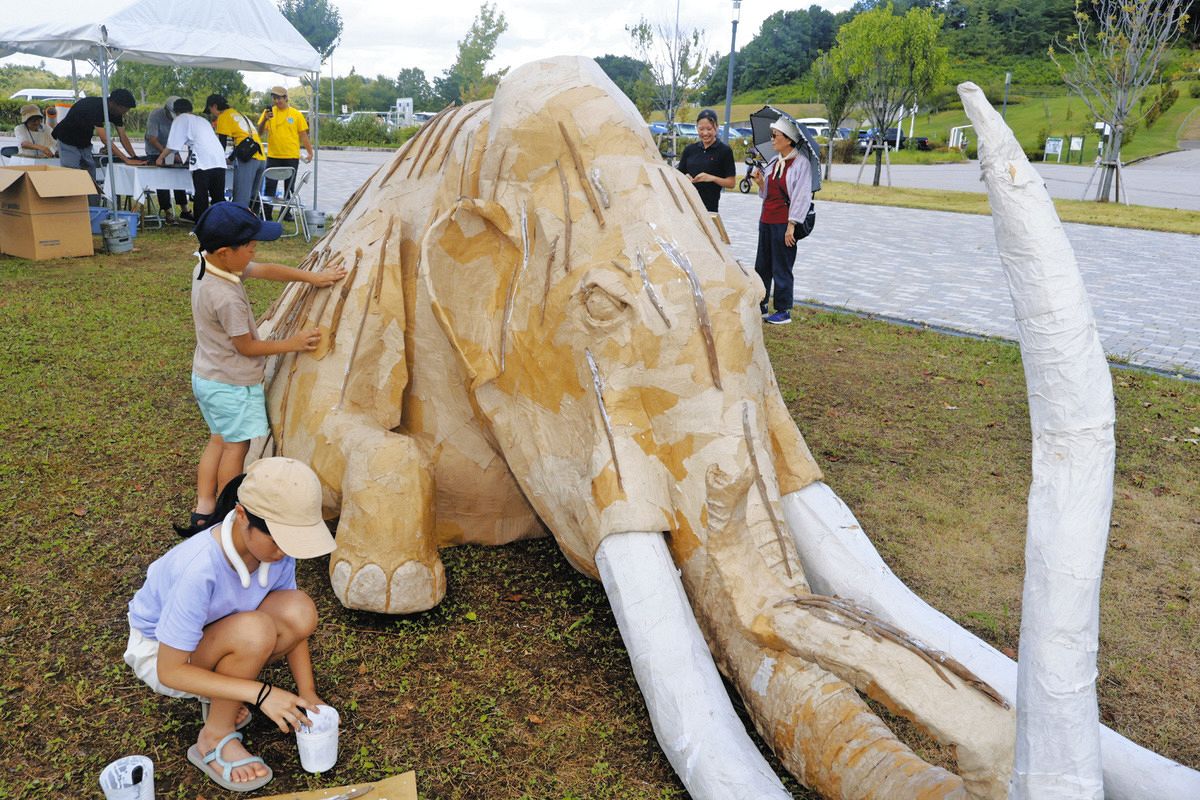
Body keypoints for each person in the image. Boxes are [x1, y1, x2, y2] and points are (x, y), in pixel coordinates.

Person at [125, 456, 337, 791]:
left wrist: (307, 693)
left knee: (300, 610)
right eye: (278, 539)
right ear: (242, 516)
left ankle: (224, 693)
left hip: (218, 634)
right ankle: (213, 737)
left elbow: (292, 624)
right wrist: (262, 694)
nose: (285, 551)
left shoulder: (275, 552)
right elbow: (170, 670)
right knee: (254, 632)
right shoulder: (199, 568)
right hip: (160, 654)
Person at [175, 202, 346, 537]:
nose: (255, 250)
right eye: (250, 245)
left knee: (218, 440)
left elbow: (265, 269)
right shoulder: (226, 298)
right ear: (226, 251)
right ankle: (227, 513)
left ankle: (204, 507)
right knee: (236, 448)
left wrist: (311, 278)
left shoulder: (207, 263)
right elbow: (248, 347)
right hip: (232, 384)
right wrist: (294, 342)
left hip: (208, 377)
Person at [751, 117, 813, 326]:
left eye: (775, 136)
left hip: (784, 222)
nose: (772, 140)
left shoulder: (800, 163)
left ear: (788, 139)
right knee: (762, 264)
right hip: (766, 219)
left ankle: (783, 310)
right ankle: (760, 302)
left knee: (782, 266)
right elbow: (767, 193)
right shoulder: (774, 162)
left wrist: (792, 225)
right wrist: (761, 183)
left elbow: (802, 196)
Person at [50, 88, 144, 187]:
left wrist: (134, 157)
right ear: (114, 104)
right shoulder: (95, 107)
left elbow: (123, 136)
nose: (126, 112)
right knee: (73, 174)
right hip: (67, 139)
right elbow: (105, 139)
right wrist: (126, 160)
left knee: (90, 176)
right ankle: (74, 200)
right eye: (125, 109)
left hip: (84, 141)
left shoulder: (116, 112)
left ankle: (92, 201)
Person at [157, 98, 227, 221]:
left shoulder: (180, 119)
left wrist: (160, 158)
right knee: (218, 195)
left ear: (175, 112)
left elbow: (173, 145)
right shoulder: (202, 120)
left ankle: (201, 223)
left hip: (203, 160)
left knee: (201, 194)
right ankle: (220, 222)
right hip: (219, 159)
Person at [256, 86, 313, 221]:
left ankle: (286, 213)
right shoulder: (268, 112)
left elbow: (303, 135)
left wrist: (310, 152)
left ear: (286, 98)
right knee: (270, 186)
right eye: (274, 98)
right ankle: (266, 214)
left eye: (279, 98)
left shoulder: (296, 114)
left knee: (289, 187)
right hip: (273, 156)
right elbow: (259, 133)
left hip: (291, 156)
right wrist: (265, 119)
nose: (277, 101)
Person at [208, 94, 266, 209]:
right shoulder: (238, 113)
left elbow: (222, 144)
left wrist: (217, 161)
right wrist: (230, 159)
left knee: (241, 199)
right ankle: (255, 222)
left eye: (210, 110)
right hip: (261, 156)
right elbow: (244, 140)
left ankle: (239, 224)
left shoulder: (223, 116)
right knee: (254, 198)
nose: (211, 114)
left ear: (214, 106)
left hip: (248, 159)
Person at [676, 109, 736, 213]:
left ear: (716, 127)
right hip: (686, 206)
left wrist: (711, 178)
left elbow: (731, 183)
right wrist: (685, 177)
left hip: (709, 209)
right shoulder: (690, 150)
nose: (705, 133)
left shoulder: (724, 151)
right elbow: (678, 175)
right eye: (701, 129)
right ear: (697, 128)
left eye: (709, 129)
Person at [144, 95, 193, 224]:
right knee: (163, 180)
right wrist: (165, 154)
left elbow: (187, 138)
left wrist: (181, 154)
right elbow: (152, 138)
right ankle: (168, 212)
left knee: (179, 176)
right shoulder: (156, 115)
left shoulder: (182, 118)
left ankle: (185, 210)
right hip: (156, 151)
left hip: (172, 151)